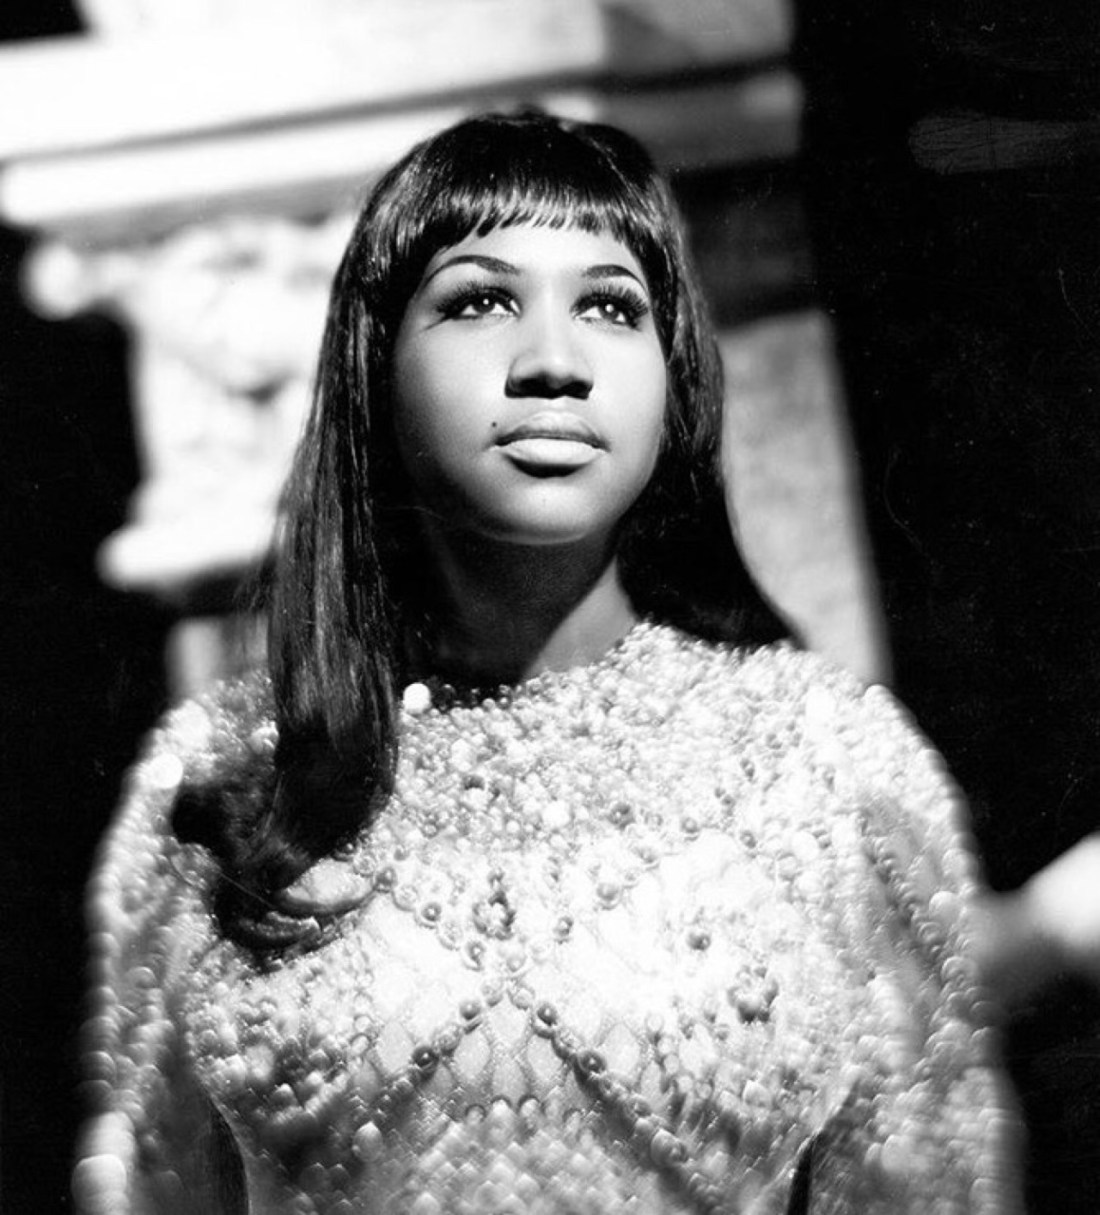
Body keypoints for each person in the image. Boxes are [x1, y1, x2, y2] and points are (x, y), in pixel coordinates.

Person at [73, 109, 1041, 1215]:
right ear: (374, 364)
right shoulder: (222, 776)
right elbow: (146, 1182)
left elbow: (932, 1181)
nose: (553, 363)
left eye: (611, 307)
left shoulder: (829, 763)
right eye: (481, 301)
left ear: (674, 378)